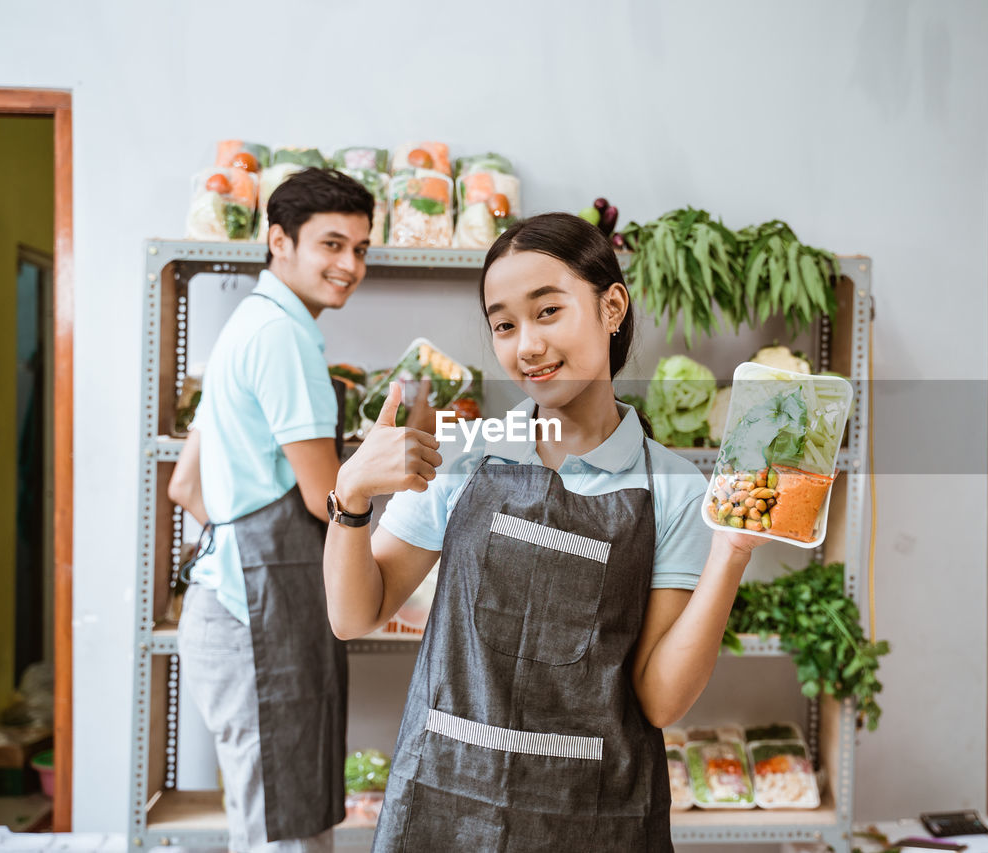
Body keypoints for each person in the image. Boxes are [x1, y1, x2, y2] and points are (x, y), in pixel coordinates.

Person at [323, 213, 767, 851]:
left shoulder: (672, 488)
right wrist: (351, 496)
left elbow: (661, 701)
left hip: (595, 818)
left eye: (548, 311)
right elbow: (352, 613)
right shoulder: (465, 454)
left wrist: (731, 551)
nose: (525, 344)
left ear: (611, 306)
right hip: (449, 806)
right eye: (504, 324)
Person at [168, 168, 431, 852]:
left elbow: (186, 487)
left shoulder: (247, 324)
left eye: (362, 248)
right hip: (261, 624)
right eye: (332, 244)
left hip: (232, 609)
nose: (350, 265)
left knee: (271, 824)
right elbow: (328, 497)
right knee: (287, 835)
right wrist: (395, 460)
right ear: (277, 239)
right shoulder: (284, 338)